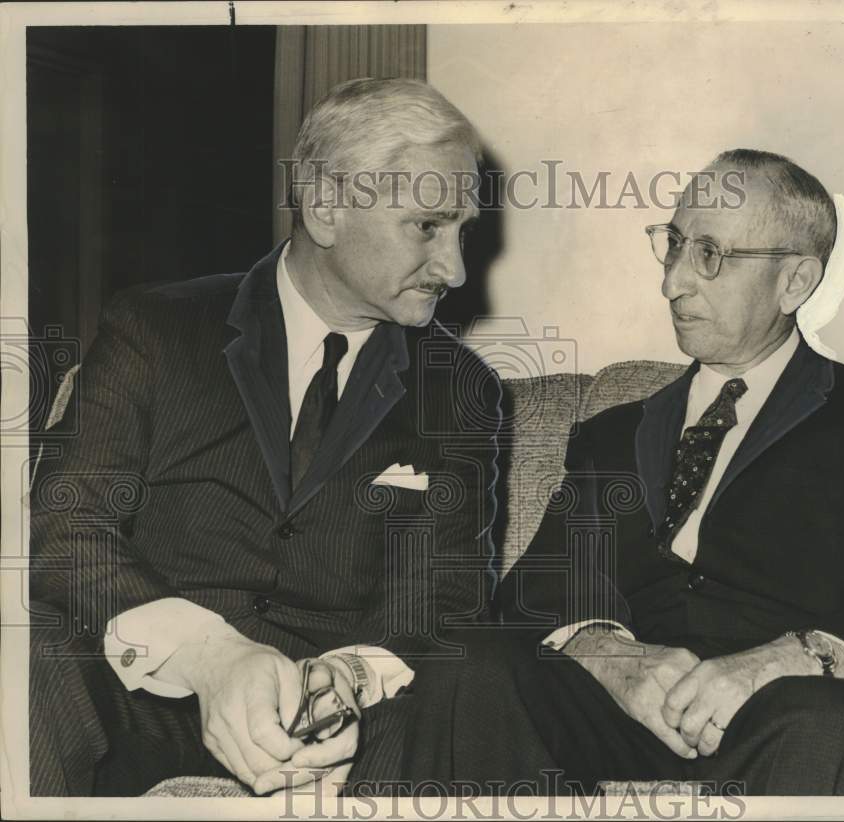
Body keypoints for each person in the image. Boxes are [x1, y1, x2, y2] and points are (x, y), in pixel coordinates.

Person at [29, 78, 504, 796]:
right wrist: (212, 656)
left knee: (470, 689)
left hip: (339, 724)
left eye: (463, 230)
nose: (457, 269)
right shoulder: (156, 330)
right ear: (325, 208)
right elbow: (66, 526)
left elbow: (437, 604)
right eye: (428, 226)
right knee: (27, 654)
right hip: (146, 693)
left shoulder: (464, 392)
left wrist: (343, 684)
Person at [498, 149, 844, 795]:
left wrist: (785, 661)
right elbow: (529, 595)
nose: (672, 282)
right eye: (672, 246)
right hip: (626, 715)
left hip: (801, 712)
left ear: (795, 283)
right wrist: (610, 655)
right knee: (465, 672)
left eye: (709, 254)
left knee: (824, 724)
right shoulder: (612, 433)